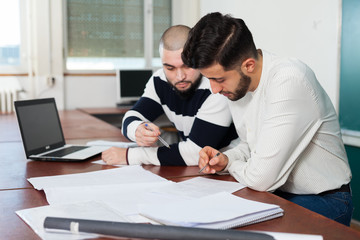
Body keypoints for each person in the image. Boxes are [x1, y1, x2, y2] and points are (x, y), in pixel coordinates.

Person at [181, 12, 353, 225]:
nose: (214, 90)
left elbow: (260, 179)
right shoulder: (238, 86)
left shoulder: (289, 79)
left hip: (325, 200)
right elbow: (252, 146)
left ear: (249, 65)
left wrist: (231, 165)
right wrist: (225, 158)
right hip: (278, 193)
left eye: (219, 79)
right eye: (209, 80)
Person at [102, 25, 237, 166]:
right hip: (198, 169)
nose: (180, 76)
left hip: (229, 168)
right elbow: (132, 116)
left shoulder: (216, 86)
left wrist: (131, 156)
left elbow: (196, 152)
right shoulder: (159, 80)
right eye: (170, 68)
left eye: (187, 66)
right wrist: (137, 129)